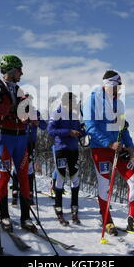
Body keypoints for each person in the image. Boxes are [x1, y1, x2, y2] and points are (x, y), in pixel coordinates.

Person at [82, 70, 134, 236]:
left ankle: (133, 219)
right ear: (110, 85)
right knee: (105, 186)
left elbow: (122, 126)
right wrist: (109, 143)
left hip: (118, 150)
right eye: (118, 85)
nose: (120, 89)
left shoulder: (119, 103)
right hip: (101, 149)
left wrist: (130, 145)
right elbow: (90, 127)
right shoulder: (93, 99)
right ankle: (107, 220)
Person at [0, 54, 37, 233]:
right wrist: (7, 110)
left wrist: (29, 110)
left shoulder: (20, 90)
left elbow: (30, 116)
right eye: (19, 70)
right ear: (10, 71)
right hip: (5, 138)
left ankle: (26, 218)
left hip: (22, 138)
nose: (21, 74)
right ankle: (4, 215)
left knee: (24, 177)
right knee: (4, 177)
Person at [48, 92, 85, 225]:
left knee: (75, 179)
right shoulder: (57, 112)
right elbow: (50, 130)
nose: (74, 104)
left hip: (74, 150)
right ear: (65, 102)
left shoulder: (75, 114)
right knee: (60, 179)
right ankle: (58, 209)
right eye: (72, 102)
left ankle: (74, 207)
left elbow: (80, 131)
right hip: (61, 149)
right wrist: (69, 132)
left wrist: (84, 130)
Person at [12, 108, 47, 206]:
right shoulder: (19, 111)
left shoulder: (36, 112)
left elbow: (44, 126)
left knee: (29, 166)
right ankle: (15, 190)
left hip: (31, 142)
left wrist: (37, 123)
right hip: (19, 141)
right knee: (18, 165)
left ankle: (30, 192)